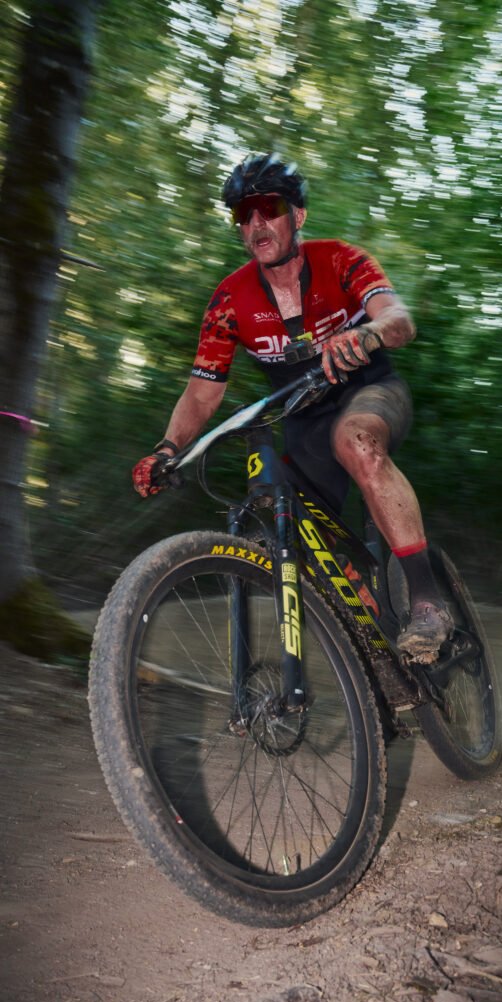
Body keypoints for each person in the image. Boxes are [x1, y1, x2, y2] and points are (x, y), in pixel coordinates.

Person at [133, 153, 452, 663]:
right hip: (301, 417)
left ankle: (428, 601)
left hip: (369, 392)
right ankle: (371, 651)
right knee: (289, 532)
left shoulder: (341, 259)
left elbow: (399, 319)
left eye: (270, 208)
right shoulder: (229, 300)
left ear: (297, 215)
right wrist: (168, 448)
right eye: (244, 214)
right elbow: (202, 391)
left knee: (356, 441)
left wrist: (368, 334)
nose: (257, 223)